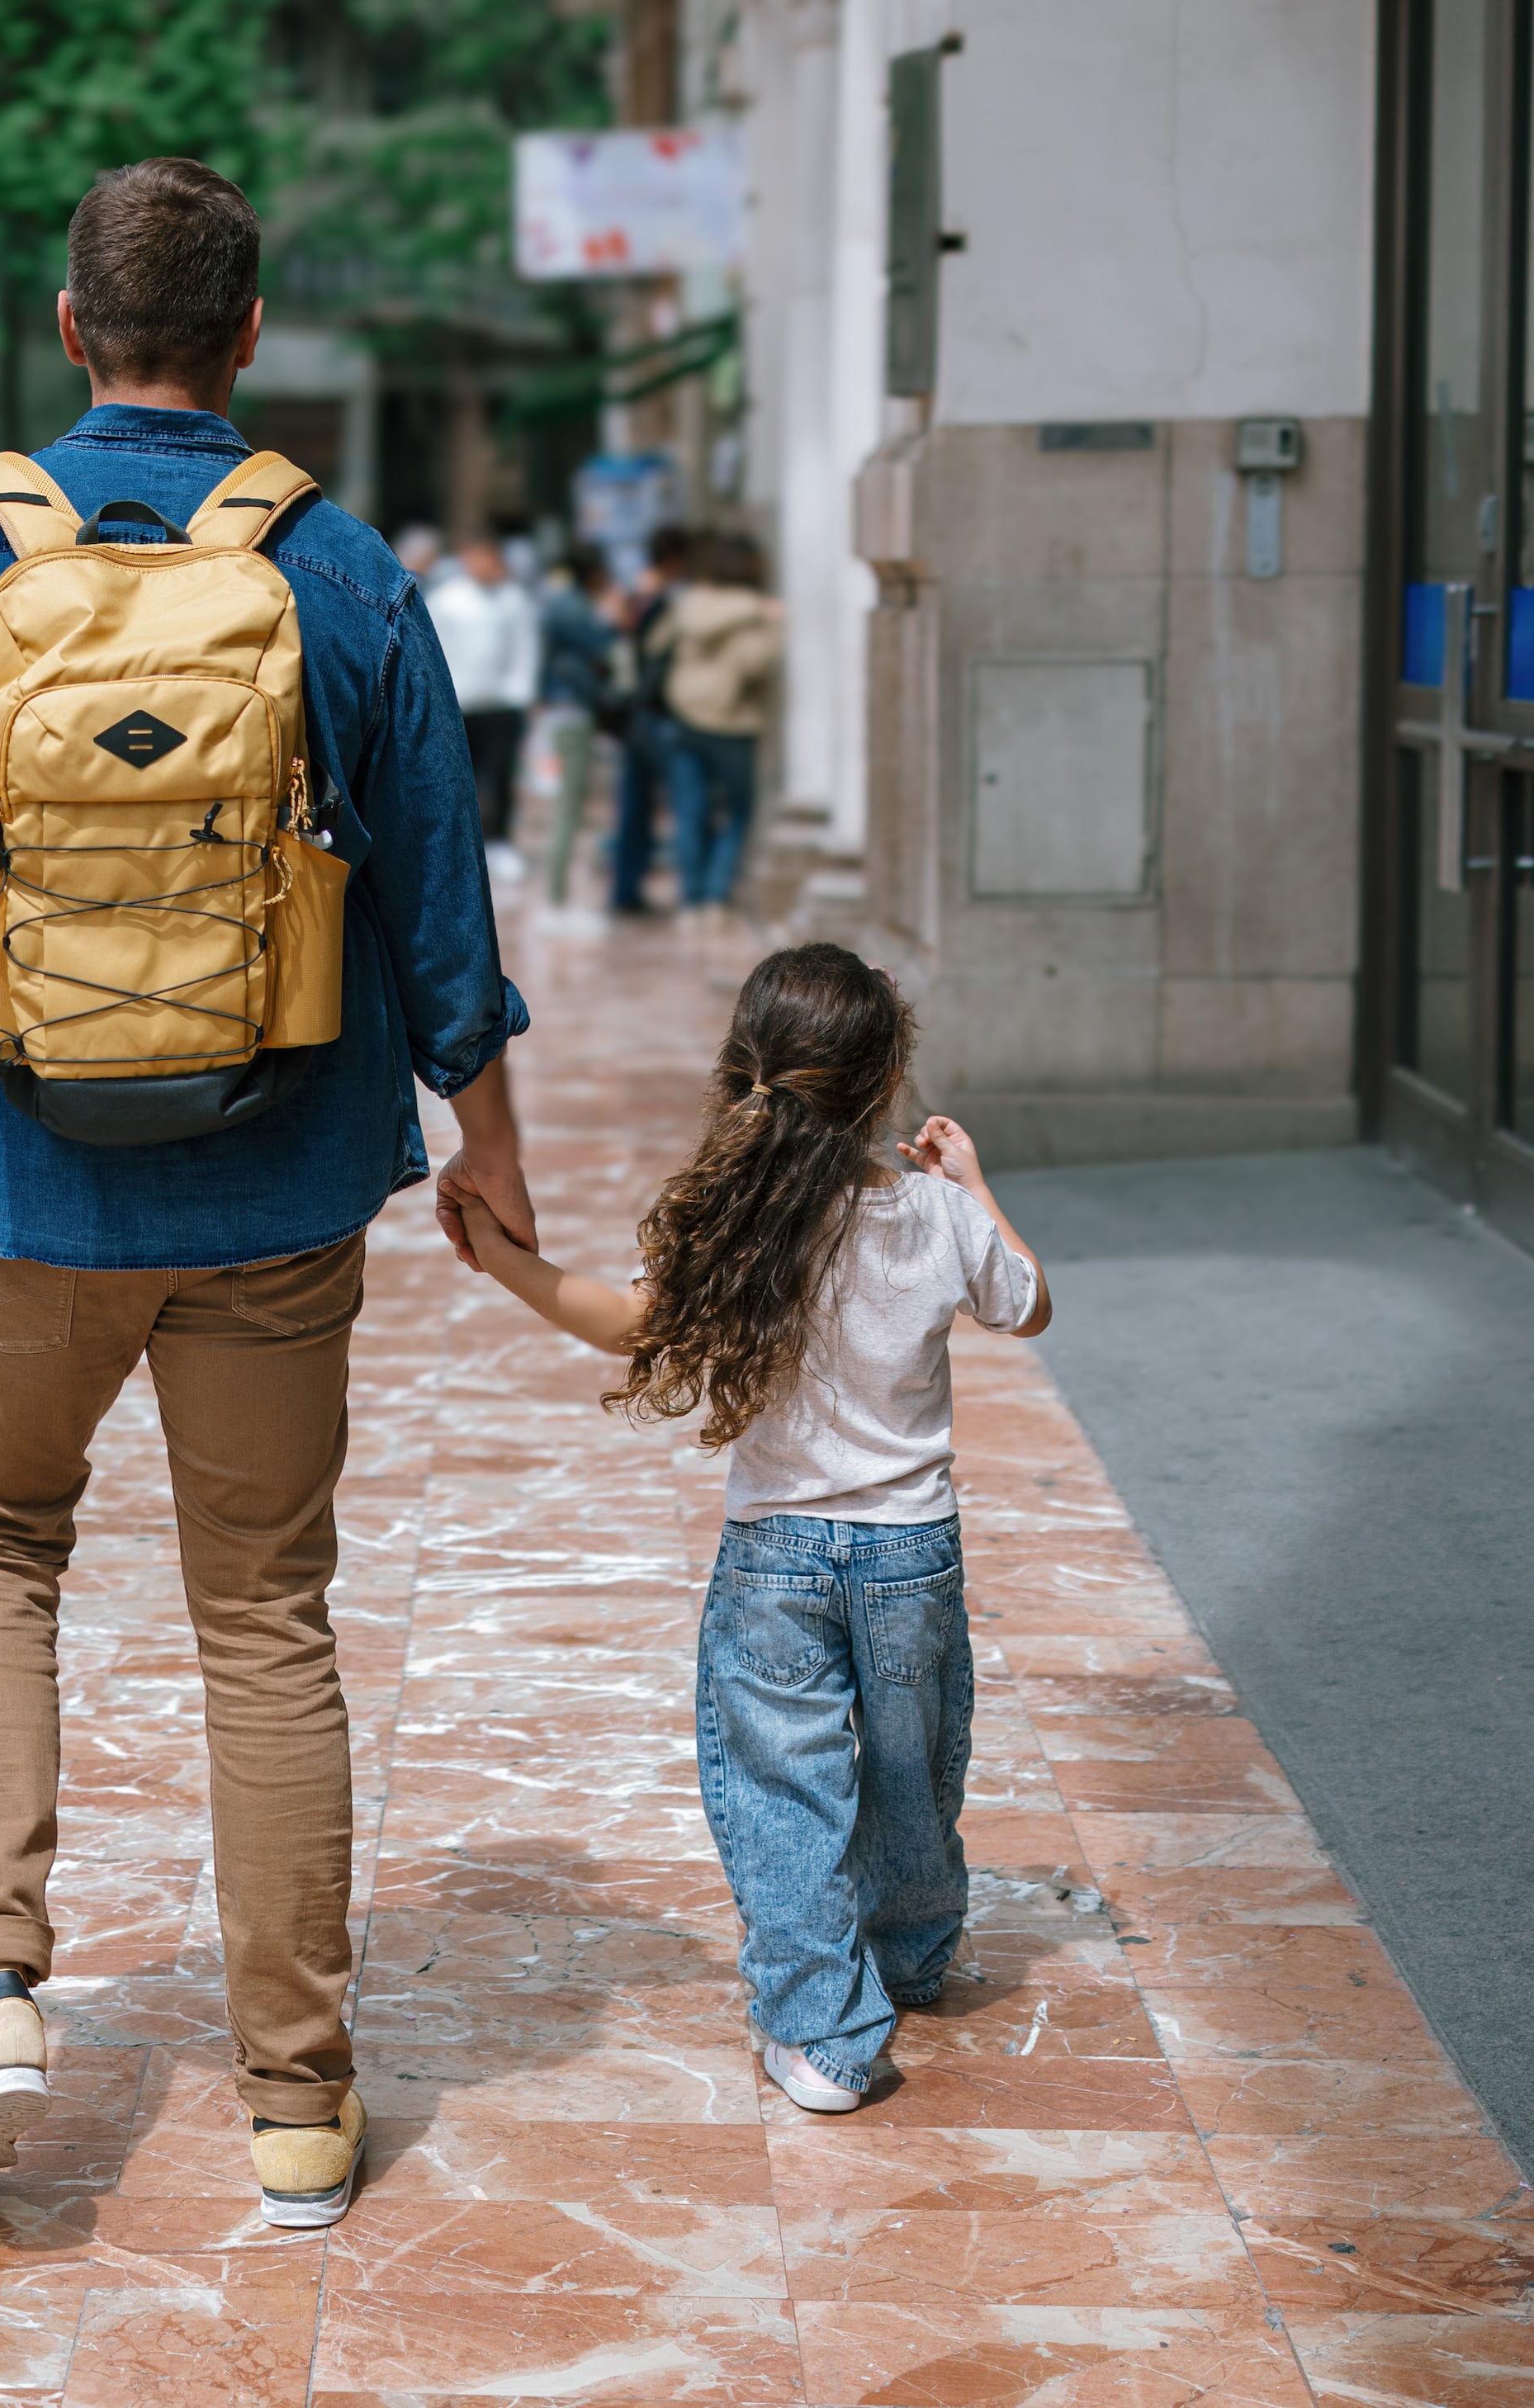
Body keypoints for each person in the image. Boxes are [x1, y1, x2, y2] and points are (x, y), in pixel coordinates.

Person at [0, 155, 528, 2232]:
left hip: (29, 1182)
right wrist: (496, 1169)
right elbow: (444, 915)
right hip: (283, 1186)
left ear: (73, 322)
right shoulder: (341, 566)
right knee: (266, 1617)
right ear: (251, 336)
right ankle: (296, 2100)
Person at [438, 942, 1049, 2112]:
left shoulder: (742, 1218)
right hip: (912, 1549)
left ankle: (824, 2029)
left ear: (744, 1074)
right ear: (885, 1083)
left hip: (776, 1555)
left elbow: (627, 1323)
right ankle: (911, 1955)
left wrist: (507, 1258)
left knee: (787, 1786)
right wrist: (973, 1182)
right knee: (913, 1767)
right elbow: (1029, 1298)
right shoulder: (932, 1214)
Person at [656, 533, 779, 915]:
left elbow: (654, 647)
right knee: (739, 812)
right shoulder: (761, 611)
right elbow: (755, 665)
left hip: (683, 716)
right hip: (734, 724)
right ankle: (715, 897)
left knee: (689, 810)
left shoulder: (689, 603)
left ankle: (690, 899)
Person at [426, 531, 542, 878]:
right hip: (459, 704)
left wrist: (523, 694)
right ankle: (459, 846)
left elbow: (527, 648)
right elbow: (434, 652)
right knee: (458, 778)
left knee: (501, 774)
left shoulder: (513, 599)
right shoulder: (446, 600)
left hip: (501, 703)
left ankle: (500, 841)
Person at [605, 525, 689, 915]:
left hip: (632, 712)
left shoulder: (632, 593)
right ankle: (674, 894)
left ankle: (625, 889)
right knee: (677, 803)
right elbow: (655, 660)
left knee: (634, 805)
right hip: (652, 713)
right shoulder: (664, 599)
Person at [534, 545, 623, 907]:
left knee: (570, 807)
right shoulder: (572, 607)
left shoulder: (565, 602)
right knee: (568, 808)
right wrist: (612, 615)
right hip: (572, 713)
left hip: (566, 710)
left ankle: (558, 893)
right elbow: (604, 646)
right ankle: (556, 896)